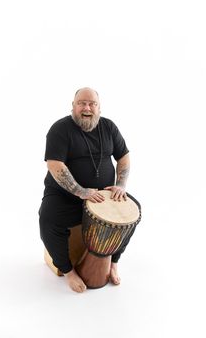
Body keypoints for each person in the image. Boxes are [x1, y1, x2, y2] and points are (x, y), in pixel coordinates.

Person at [39, 87, 131, 293]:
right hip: (65, 196)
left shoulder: (109, 127)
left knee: (134, 213)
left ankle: (113, 262)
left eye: (92, 103)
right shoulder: (60, 129)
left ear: (99, 108)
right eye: (81, 103)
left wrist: (121, 185)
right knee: (48, 219)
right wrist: (81, 192)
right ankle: (68, 270)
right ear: (73, 106)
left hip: (102, 196)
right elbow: (55, 165)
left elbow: (123, 157)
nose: (86, 107)